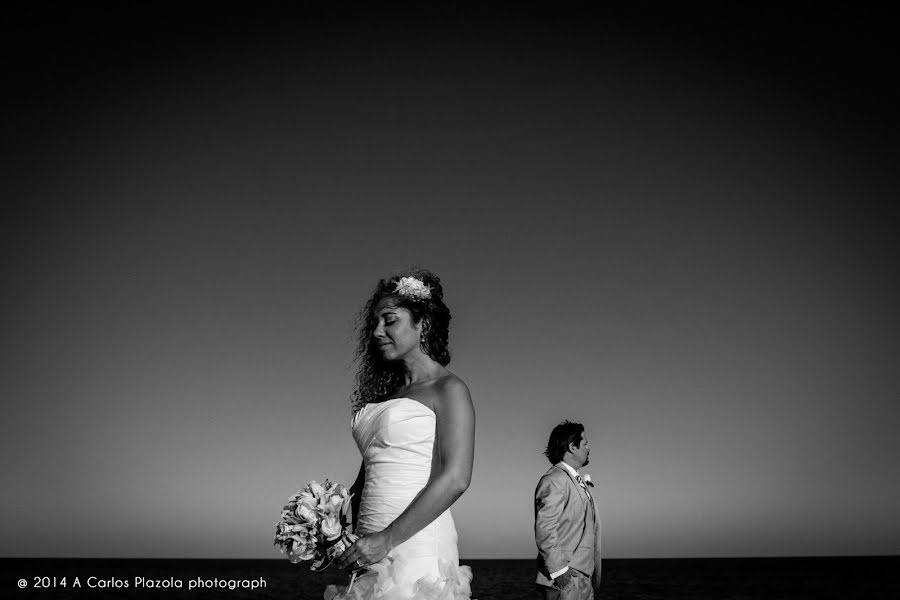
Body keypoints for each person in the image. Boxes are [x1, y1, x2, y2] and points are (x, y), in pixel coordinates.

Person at [327, 269, 475, 600]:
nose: (377, 331)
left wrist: (388, 539)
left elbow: (457, 478)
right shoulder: (387, 398)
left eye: (389, 320)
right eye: (374, 324)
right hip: (367, 547)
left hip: (414, 547)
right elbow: (370, 474)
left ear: (421, 324)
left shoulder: (448, 389)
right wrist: (331, 517)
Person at [534, 421, 601, 600]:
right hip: (565, 581)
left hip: (582, 580)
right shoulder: (554, 480)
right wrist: (560, 571)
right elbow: (545, 529)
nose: (589, 447)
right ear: (572, 447)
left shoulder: (573, 479)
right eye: (585, 443)